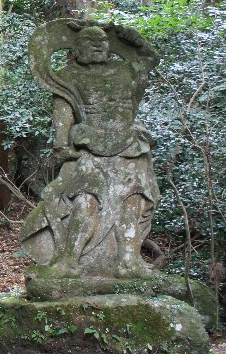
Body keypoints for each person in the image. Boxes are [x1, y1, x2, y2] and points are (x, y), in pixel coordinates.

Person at [21, 22, 160, 278]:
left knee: (133, 200)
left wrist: (137, 42)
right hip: (89, 145)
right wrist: (62, 144)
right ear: (75, 49)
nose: (97, 45)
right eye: (89, 41)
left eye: (102, 42)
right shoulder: (68, 76)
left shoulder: (123, 69)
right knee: (85, 199)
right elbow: (63, 111)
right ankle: (70, 260)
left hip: (129, 145)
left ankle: (128, 261)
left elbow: (150, 59)